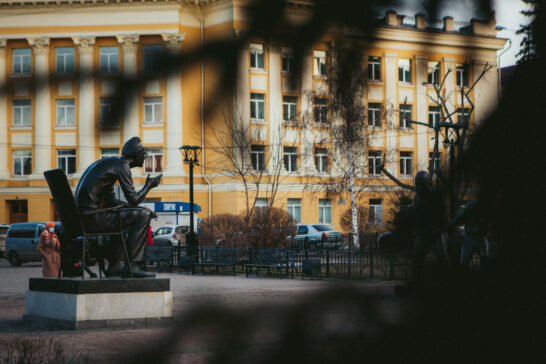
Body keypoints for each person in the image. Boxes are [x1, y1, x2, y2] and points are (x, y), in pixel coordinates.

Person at [75, 137, 162, 278]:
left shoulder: (111, 163)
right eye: (144, 154)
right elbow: (134, 200)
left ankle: (115, 266)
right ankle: (133, 266)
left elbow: (111, 201)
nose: (144, 157)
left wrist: (132, 210)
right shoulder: (122, 166)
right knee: (143, 215)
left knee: (132, 214)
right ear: (136, 155)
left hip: (83, 218)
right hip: (91, 219)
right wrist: (148, 186)